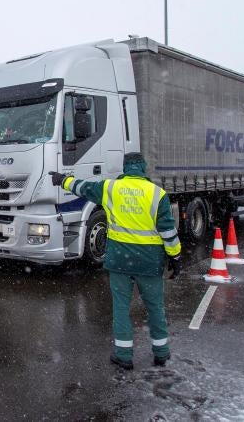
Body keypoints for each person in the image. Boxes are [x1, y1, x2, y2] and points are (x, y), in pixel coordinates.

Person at [49, 153, 182, 370]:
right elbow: (168, 231)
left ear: (125, 167)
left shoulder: (111, 188)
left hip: (119, 261)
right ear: (143, 168)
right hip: (149, 262)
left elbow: (83, 188)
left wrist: (62, 180)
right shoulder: (158, 194)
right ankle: (161, 353)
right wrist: (175, 257)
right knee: (155, 308)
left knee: (121, 308)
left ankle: (124, 355)